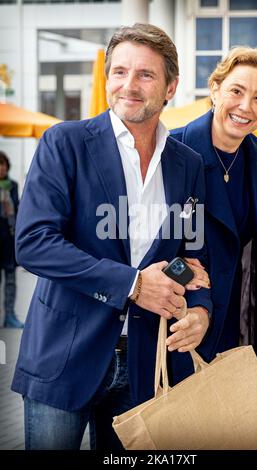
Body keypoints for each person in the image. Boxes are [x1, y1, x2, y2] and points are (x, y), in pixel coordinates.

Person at [11, 23, 212, 451]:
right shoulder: (64, 143)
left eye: (145, 75)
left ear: (170, 86)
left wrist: (201, 313)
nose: (129, 85)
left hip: (144, 361)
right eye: (119, 72)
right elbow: (33, 242)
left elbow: (194, 256)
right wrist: (134, 285)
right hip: (63, 354)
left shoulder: (188, 164)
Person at [172, 46, 257, 386]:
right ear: (215, 89)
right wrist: (182, 273)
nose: (246, 106)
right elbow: (141, 248)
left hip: (238, 325)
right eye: (237, 91)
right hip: (183, 321)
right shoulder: (171, 153)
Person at [0, 151, 23, 328]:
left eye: (3, 164)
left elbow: (19, 209)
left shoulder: (13, 186)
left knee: (10, 281)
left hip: (9, 240)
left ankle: (10, 315)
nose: (1, 168)